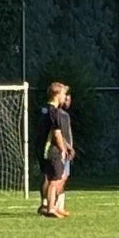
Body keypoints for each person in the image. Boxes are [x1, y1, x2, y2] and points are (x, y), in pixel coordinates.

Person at [36, 82, 75, 218]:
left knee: (58, 177)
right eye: (64, 94)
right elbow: (57, 133)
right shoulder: (53, 112)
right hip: (52, 150)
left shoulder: (50, 110)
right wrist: (63, 149)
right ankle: (50, 207)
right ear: (57, 94)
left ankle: (53, 206)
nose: (65, 97)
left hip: (49, 149)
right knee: (55, 179)